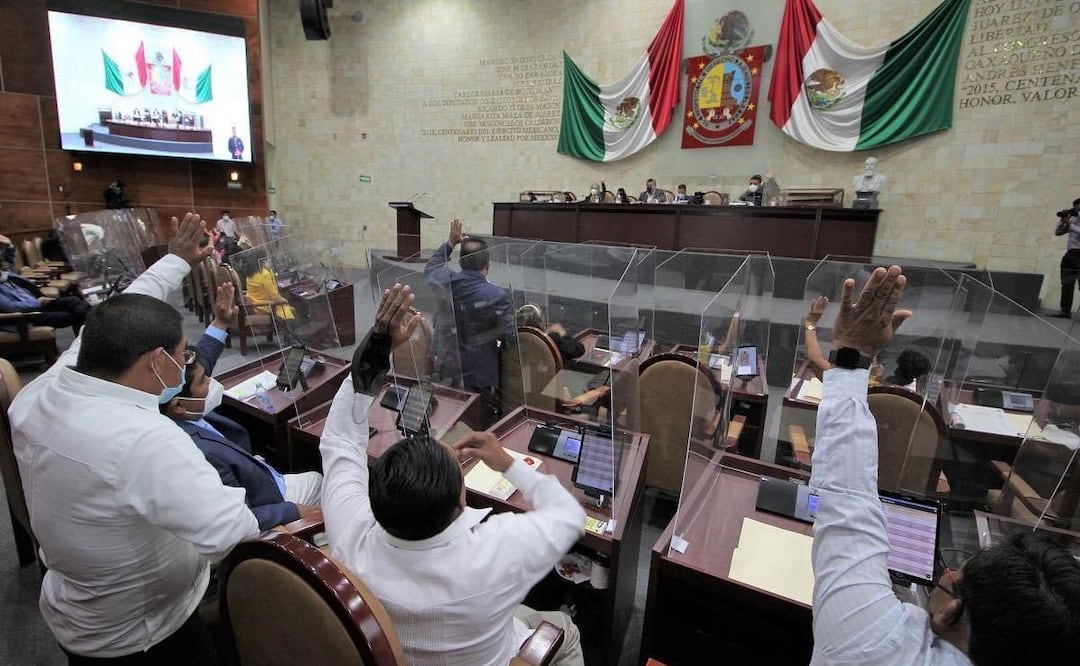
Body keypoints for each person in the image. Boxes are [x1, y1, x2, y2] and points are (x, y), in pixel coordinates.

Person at [9, 214, 259, 664]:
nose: (187, 366)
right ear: (155, 362)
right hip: (149, 634)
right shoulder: (145, 440)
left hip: (81, 611)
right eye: (182, 357)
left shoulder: (46, 388)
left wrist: (175, 261)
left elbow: (117, 315)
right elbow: (229, 530)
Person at [810, 264, 1080, 666]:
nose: (948, 572)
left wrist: (851, 353)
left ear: (952, 611)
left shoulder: (870, 641)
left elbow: (846, 500)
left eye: (955, 575)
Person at [321, 283, 586, 666]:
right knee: (565, 627)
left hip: (391, 646)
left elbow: (340, 439)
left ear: (374, 495)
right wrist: (507, 463)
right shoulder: (496, 554)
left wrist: (380, 343)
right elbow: (568, 516)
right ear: (461, 502)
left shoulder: (350, 531)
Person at [161, 282, 322, 530]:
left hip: (259, 473)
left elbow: (196, 366)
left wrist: (221, 323)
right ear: (180, 406)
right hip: (269, 499)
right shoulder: (196, 453)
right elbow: (239, 516)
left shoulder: (170, 395)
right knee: (318, 481)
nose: (213, 382)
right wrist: (293, 510)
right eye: (205, 381)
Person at [425, 219, 514, 423]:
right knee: (476, 425)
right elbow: (509, 336)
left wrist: (450, 243)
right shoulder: (498, 296)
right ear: (487, 265)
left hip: (447, 368)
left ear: (461, 262)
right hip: (478, 375)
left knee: (447, 421)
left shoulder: (444, 280)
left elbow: (431, 268)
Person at [0, 236, 90, 333]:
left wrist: (8, 244)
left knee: (73, 300)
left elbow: (8, 261)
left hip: (35, 305)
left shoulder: (4, 276)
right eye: (2, 269)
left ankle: (93, 323)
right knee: (70, 316)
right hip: (25, 316)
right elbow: (11, 307)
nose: (5, 270)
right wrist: (38, 302)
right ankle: (92, 331)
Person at [515, 304, 585, 363]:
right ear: (541, 324)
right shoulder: (549, 342)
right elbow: (579, 349)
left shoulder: (512, 342)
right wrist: (561, 335)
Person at [239, 250, 295, 320]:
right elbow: (274, 296)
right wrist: (285, 301)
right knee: (293, 307)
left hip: (255, 306)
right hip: (266, 306)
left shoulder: (250, 273)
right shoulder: (265, 273)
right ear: (262, 260)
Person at [1053, 198, 1080, 318]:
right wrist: (1063, 221)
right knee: (1066, 283)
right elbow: (1058, 233)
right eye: (1075, 208)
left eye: (1078, 208)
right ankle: (1065, 311)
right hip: (1071, 254)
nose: (1076, 210)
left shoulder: (1074, 223)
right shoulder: (1072, 220)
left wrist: (1071, 225)